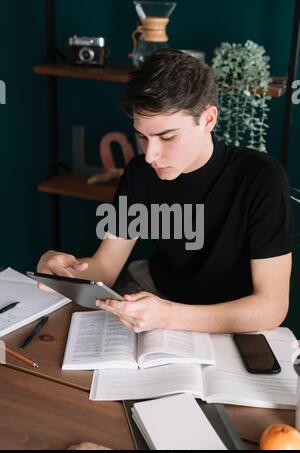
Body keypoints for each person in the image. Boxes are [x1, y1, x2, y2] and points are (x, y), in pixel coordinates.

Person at [37, 49, 293, 334]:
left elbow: (272, 307)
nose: (150, 155)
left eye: (167, 136)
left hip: (230, 316)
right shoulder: (139, 173)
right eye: (142, 137)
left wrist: (169, 316)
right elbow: (105, 267)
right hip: (154, 295)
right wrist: (62, 272)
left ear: (208, 119)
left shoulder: (261, 177)